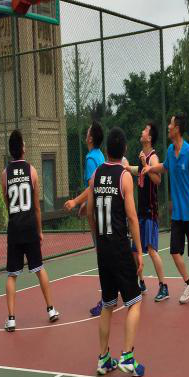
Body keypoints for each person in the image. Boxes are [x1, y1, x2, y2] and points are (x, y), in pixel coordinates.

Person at [87, 127, 145, 377]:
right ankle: (128, 357)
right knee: (135, 302)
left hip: (103, 249)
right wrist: (139, 251)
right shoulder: (124, 177)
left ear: (106, 149)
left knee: (108, 304)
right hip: (120, 248)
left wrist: (97, 239)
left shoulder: (96, 174)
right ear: (124, 150)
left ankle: (103, 359)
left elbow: (89, 211)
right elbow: (132, 217)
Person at [143, 114, 189, 304]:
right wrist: (150, 169)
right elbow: (165, 167)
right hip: (177, 215)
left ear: (177, 129)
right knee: (175, 252)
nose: (168, 126)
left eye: (171, 124)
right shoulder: (170, 150)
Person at [2, 130, 59, 331]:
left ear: (11, 150)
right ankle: (51, 310)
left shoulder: (5, 174)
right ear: (23, 149)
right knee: (39, 268)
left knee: (12, 274)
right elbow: (37, 207)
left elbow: (7, 202)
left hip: (15, 228)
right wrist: (40, 231)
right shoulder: (32, 171)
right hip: (30, 227)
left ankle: (11, 319)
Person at [64, 121, 105, 316]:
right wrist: (85, 203)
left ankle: (106, 299)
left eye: (88, 131)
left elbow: (92, 187)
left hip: (97, 212)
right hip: (105, 208)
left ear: (90, 138)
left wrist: (75, 201)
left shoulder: (90, 159)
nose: (86, 133)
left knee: (102, 256)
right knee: (107, 254)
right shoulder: (100, 156)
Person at [126, 121, 168, 302]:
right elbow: (140, 171)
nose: (142, 131)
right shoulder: (142, 155)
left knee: (151, 250)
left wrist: (146, 164)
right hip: (141, 211)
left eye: (145, 130)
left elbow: (157, 180)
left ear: (149, 137)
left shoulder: (153, 157)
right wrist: (128, 168)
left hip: (150, 211)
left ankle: (163, 286)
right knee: (135, 251)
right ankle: (141, 283)